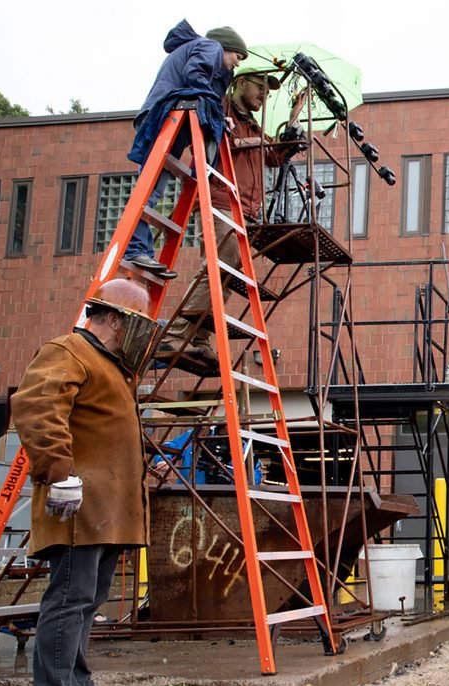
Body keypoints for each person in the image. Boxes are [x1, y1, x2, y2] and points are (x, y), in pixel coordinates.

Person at [10, 279, 158, 686]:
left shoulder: (110, 365)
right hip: (78, 509)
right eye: (137, 324)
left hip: (104, 512)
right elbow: (38, 407)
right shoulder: (69, 351)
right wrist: (58, 473)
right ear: (115, 320)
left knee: (86, 600)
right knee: (70, 601)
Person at [158, 71, 307, 360]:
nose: (265, 94)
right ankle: (176, 335)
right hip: (222, 199)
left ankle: (198, 337)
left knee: (225, 277)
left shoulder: (253, 125)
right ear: (240, 82)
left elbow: (273, 158)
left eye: (269, 90)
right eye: (261, 87)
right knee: (218, 269)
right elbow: (225, 144)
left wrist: (292, 120)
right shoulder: (219, 109)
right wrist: (264, 143)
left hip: (246, 209)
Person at [123, 20, 247, 280]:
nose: (238, 63)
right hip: (167, 115)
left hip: (168, 116)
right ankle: (134, 248)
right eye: (238, 56)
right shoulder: (211, 47)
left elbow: (200, 86)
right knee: (150, 190)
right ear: (226, 47)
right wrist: (213, 111)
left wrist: (216, 113)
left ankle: (140, 249)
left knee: (152, 190)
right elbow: (195, 76)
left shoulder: (203, 50)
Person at [150, 426, 264, 485]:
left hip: (224, 498)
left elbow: (256, 474)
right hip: (190, 491)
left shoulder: (244, 447)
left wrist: (248, 477)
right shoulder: (198, 435)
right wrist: (163, 460)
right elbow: (170, 447)